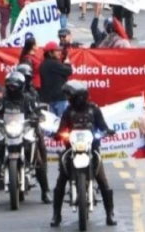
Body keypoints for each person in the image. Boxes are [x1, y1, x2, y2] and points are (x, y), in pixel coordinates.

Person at [50, 81, 117, 227]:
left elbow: (102, 125)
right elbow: (62, 128)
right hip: (71, 150)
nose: (68, 98)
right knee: (61, 181)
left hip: (91, 149)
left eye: (70, 95)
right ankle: (56, 215)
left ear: (78, 96)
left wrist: (106, 131)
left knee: (103, 181)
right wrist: (58, 134)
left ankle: (110, 213)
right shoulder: (68, 111)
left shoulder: (94, 109)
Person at [0, 72, 51, 204]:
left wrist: (37, 117)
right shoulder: (3, 101)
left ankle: (45, 191)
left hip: (24, 130)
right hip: (6, 131)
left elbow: (36, 111)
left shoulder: (28, 99)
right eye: (10, 87)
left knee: (37, 160)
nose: (13, 89)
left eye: (15, 87)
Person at [39, 42, 73, 118]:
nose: (59, 53)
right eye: (56, 51)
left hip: (48, 99)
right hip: (59, 99)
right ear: (50, 53)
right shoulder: (54, 64)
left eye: (59, 50)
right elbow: (69, 71)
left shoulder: (43, 64)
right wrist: (67, 63)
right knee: (61, 123)